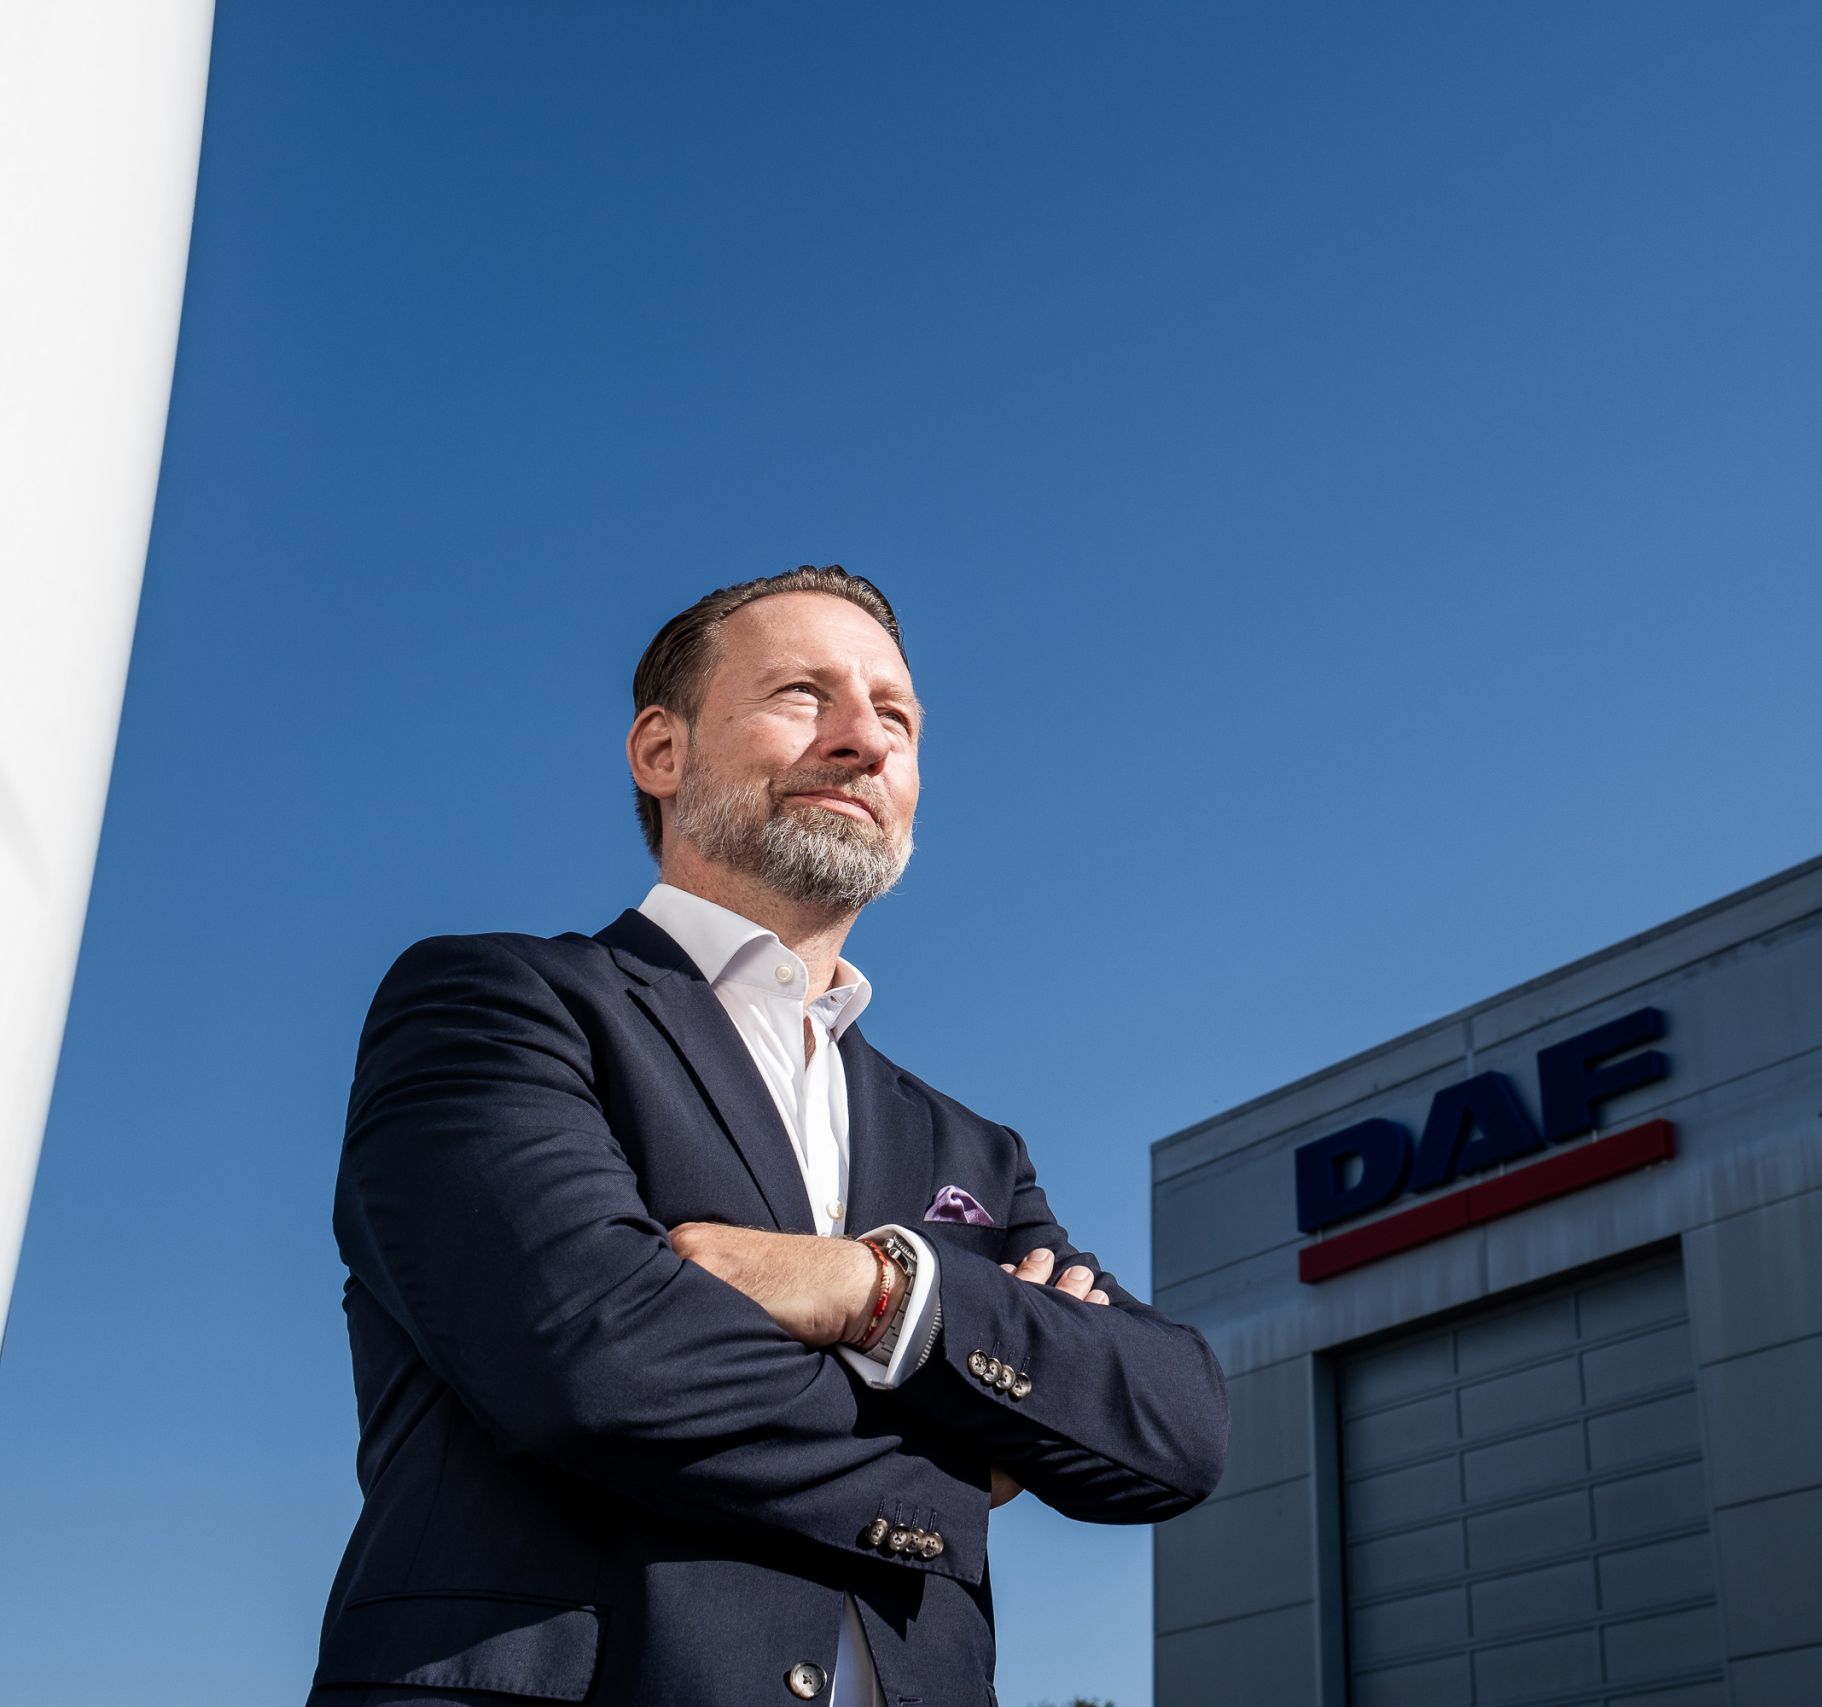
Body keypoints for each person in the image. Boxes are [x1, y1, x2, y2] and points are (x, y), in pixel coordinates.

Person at [308, 566, 1229, 1707]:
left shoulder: (972, 1151)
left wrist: (876, 1293)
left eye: (896, 715)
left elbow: (1176, 1426)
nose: (864, 740)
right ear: (661, 751)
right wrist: (974, 1453)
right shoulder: (497, 1004)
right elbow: (592, 1360)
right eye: (803, 694)